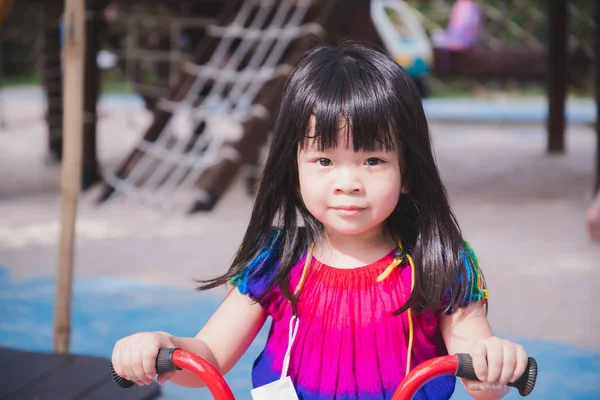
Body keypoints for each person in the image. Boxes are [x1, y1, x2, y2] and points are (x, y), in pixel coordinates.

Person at [111, 41, 529, 399]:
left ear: (408, 174)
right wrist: (163, 348)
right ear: (294, 173)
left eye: (373, 160)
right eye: (324, 160)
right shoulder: (276, 259)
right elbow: (209, 357)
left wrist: (493, 361)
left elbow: (478, 370)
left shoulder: (439, 263)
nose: (348, 183)